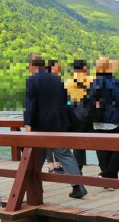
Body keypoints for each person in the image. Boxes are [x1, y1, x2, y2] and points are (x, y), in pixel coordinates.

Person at [24, 55, 87, 199]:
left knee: (36, 156)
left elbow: (30, 103)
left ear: (31, 65)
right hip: (59, 124)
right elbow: (66, 102)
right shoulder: (56, 79)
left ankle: (35, 190)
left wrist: (28, 123)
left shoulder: (32, 80)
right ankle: (78, 186)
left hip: (40, 126)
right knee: (65, 154)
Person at [87, 57, 119, 184]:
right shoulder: (112, 81)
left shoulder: (94, 82)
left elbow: (88, 101)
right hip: (112, 120)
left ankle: (106, 176)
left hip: (97, 120)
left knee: (102, 148)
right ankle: (109, 175)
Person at [64, 59, 94, 171]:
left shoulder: (68, 82)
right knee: (99, 143)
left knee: (78, 144)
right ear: (85, 68)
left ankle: (77, 171)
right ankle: (105, 173)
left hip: (75, 116)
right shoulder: (92, 80)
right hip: (90, 115)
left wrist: (71, 105)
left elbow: (65, 101)